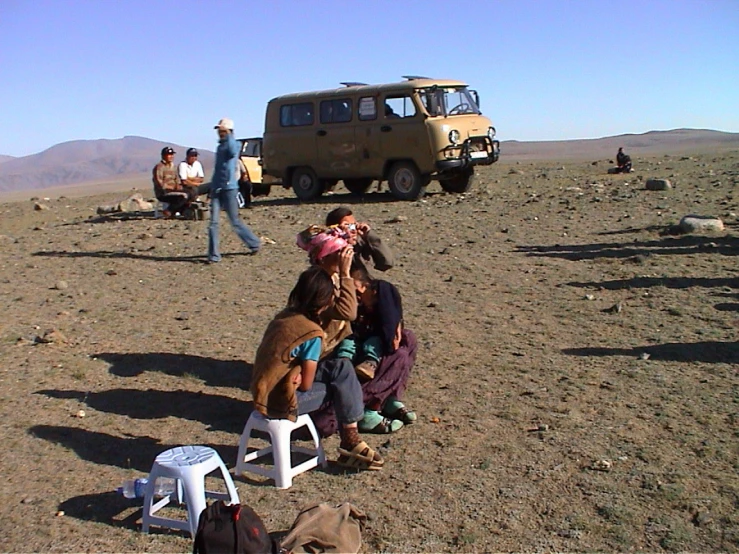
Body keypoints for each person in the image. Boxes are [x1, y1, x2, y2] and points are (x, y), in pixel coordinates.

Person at [251, 264, 384, 471]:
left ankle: (350, 439)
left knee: (340, 369)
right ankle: (350, 438)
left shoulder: (285, 317)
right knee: (341, 382)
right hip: (284, 401)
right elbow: (306, 385)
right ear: (325, 300)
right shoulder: (311, 334)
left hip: (263, 392)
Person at [298, 227, 417, 437]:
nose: (347, 256)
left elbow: (385, 262)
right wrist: (344, 275)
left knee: (405, 341)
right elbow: (348, 313)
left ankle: (379, 402)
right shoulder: (323, 284)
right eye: (342, 253)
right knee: (325, 424)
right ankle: (366, 408)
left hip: (339, 352)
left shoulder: (333, 280)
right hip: (326, 358)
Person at [334, 260, 416, 434]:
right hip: (355, 341)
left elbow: (390, 331)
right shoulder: (348, 302)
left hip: (373, 342)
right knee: (399, 354)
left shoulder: (380, 294)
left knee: (407, 340)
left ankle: (388, 397)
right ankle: (368, 407)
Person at [207, 118, 261, 263]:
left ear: (229, 130)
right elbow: (218, 169)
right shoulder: (219, 147)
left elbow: (232, 153)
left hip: (230, 188)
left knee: (235, 221)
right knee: (213, 223)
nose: (219, 132)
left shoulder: (233, 144)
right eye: (219, 130)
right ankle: (213, 255)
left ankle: (254, 243)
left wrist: (229, 135)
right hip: (217, 189)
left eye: (222, 130)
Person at [325, 207, 394, 271]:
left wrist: (370, 236)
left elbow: (387, 263)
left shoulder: (360, 245)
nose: (353, 230)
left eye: (354, 225)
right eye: (348, 226)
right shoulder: (326, 251)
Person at [152, 146, 194, 217]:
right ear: (163, 156)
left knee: (191, 193)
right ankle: (169, 211)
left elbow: (177, 179)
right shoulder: (159, 167)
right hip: (164, 193)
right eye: (169, 155)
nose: (171, 156)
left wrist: (179, 186)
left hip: (174, 191)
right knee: (183, 196)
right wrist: (171, 187)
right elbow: (159, 182)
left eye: (172, 155)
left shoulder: (173, 167)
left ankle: (183, 211)